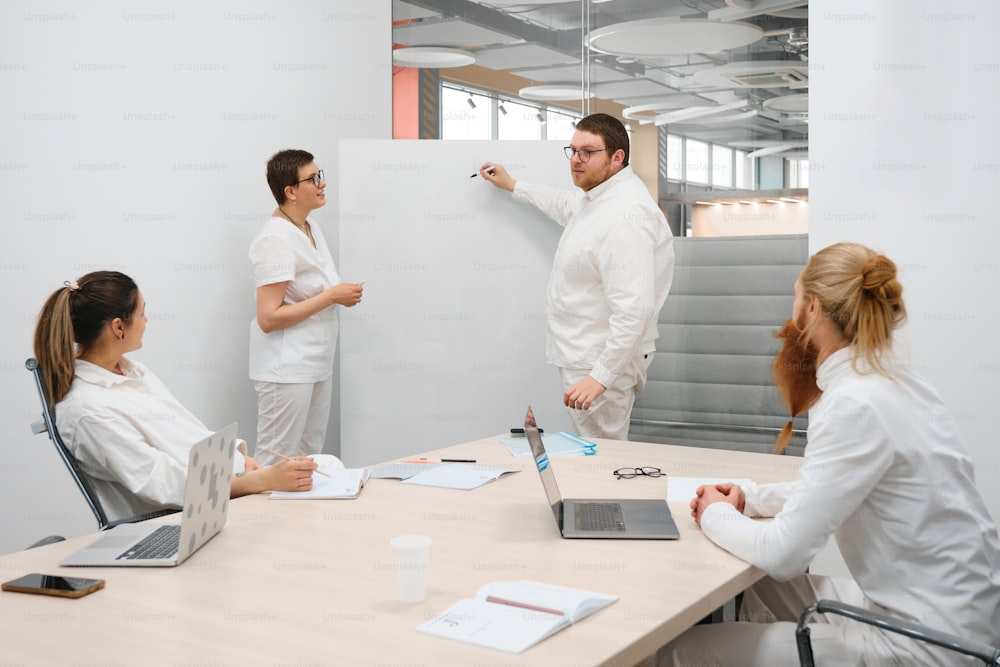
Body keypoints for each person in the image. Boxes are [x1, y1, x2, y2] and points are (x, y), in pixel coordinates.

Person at [658, 243, 1000, 666]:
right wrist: (749, 499)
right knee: (761, 585)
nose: (792, 309)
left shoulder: (851, 403)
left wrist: (715, 513)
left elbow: (786, 555)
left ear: (813, 309)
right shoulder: (898, 383)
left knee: (681, 650)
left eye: (796, 295)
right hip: (956, 616)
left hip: (924, 645)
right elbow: (835, 486)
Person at [33, 271, 320, 524]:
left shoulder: (130, 371)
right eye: (143, 312)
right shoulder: (88, 411)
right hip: (172, 524)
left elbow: (185, 435)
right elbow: (163, 482)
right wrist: (259, 480)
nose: (147, 320)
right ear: (119, 327)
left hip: (216, 502)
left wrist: (240, 460)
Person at [478, 113, 674, 440]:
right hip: (586, 356)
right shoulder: (599, 199)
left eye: (588, 152)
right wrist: (513, 185)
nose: (576, 160)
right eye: (572, 151)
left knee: (601, 461)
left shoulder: (625, 216)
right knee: (593, 456)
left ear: (617, 157)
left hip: (599, 361)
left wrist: (601, 376)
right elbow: (563, 204)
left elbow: (634, 309)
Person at [250, 149, 363, 465]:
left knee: (309, 455)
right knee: (276, 460)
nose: (322, 184)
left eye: (320, 175)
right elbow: (268, 318)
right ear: (290, 191)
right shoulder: (274, 239)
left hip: (315, 361)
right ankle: (263, 516)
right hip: (285, 367)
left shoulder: (310, 228)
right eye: (313, 179)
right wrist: (331, 297)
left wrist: (339, 295)